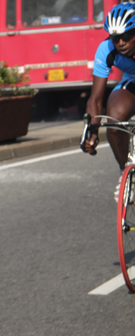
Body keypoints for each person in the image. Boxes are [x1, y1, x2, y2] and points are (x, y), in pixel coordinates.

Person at [83, 2, 135, 201]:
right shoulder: (106, 50)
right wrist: (91, 133)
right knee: (114, 120)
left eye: (126, 36)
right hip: (132, 82)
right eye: (115, 37)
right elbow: (95, 99)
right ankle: (127, 175)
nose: (121, 42)